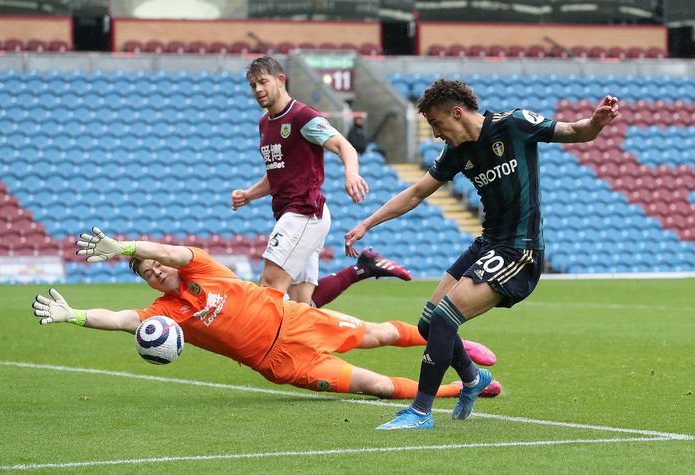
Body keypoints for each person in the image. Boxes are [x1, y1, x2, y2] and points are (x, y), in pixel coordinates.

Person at [345, 79, 620, 429]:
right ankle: (474, 379)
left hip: (519, 250)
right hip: (488, 244)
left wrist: (596, 122)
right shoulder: (457, 152)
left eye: (436, 124)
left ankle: (420, 412)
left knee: (446, 317)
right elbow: (416, 193)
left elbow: (577, 131)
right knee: (429, 323)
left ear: (456, 113)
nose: (435, 134)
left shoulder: (514, 124)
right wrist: (367, 224)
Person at [32, 227, 501, 401]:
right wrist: (71, 314)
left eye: (156, 266)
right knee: (374, 386)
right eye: (147, 273)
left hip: (297, 320)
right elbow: (118, 319)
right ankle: (462, 387)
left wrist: (127, 248)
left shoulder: (199, 263)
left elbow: (165, 248)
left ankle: (458, 346)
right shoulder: (164, 316)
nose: (155, 272)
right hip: (283, 364)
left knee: (379, 333)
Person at [231, 56, 374, 305]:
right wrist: (248, 194)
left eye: (263, 82)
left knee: (269, 285)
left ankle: (256, 343)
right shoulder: (265, 123)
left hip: (304, 212)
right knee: (300, 303)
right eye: (253, 85)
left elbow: (343, 144)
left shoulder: (302, 115)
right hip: (295, 215)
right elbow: (277, 172)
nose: (258, 90)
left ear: (280, 80)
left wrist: (350, 172)